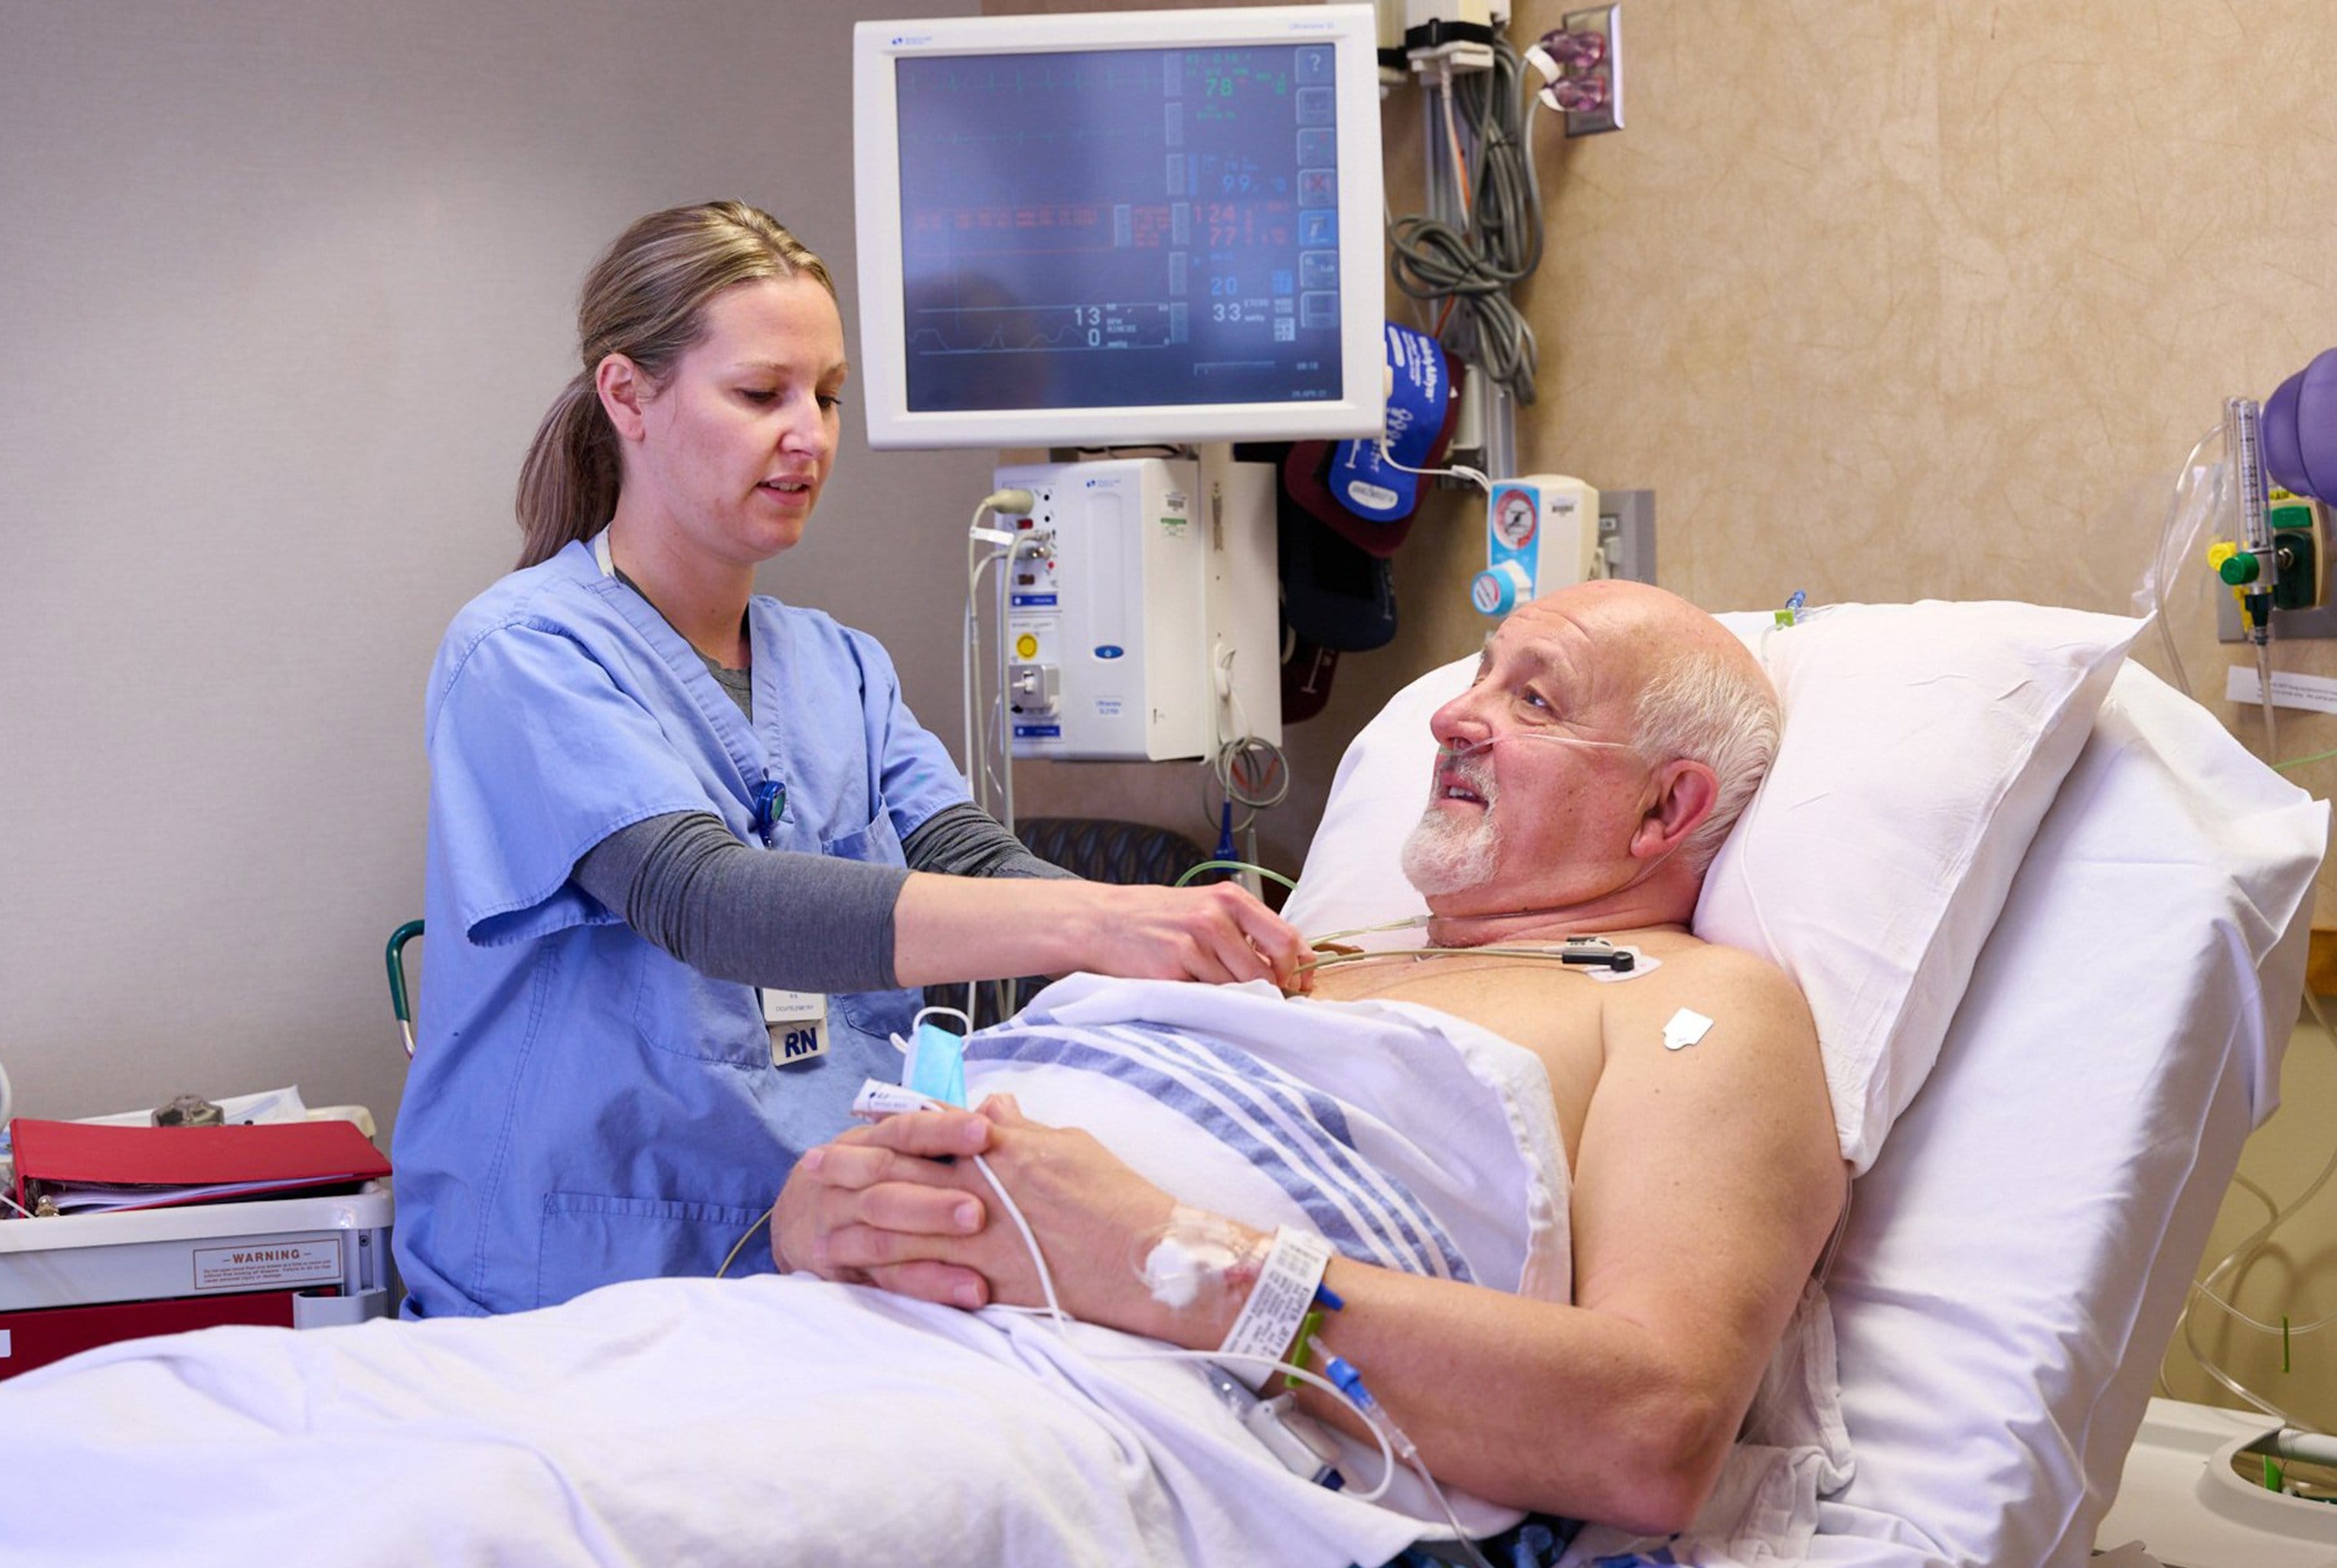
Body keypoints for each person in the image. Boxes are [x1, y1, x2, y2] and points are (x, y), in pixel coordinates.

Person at [775, 579, 1849, 1538]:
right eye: (1477, 677)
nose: (1447, 716)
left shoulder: (1693, 1004)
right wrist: (827, 1211)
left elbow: (1650, 1430)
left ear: (1668, 808)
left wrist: (1160, 1250)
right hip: (816, 1341)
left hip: (1074, 1422)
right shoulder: (1299, 957)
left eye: (1534, 700)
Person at [394, 201, 1309, 1321]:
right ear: (627, 395)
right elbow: (708, 898)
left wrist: (1164, 946)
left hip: (810, 1256)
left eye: (826, 396)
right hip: (575, 1272)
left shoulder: (839, 668)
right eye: (760, 393)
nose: (810, 435)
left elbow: (968, 858)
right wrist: (1095, 924)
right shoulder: (524, 653)